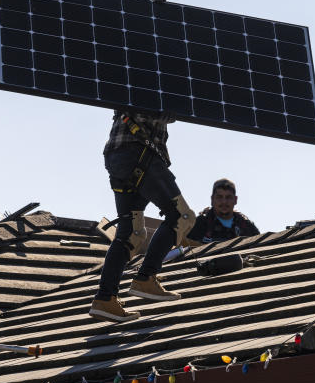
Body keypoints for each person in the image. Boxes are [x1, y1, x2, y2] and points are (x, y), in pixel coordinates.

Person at [89, 110, 196, 323]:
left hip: (118, 156)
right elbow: (159, 110)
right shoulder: (149, 80)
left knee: (131, 234)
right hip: (138, 150)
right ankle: (146, 277)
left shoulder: (133, 79)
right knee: (182, 217)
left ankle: (105, 299)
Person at [185, 178, 259, 244]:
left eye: (228, 197)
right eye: (219, 197)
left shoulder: (246, 225)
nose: (224, 202)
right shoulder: (200, 224)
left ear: (235, 200)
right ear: (212, 199)